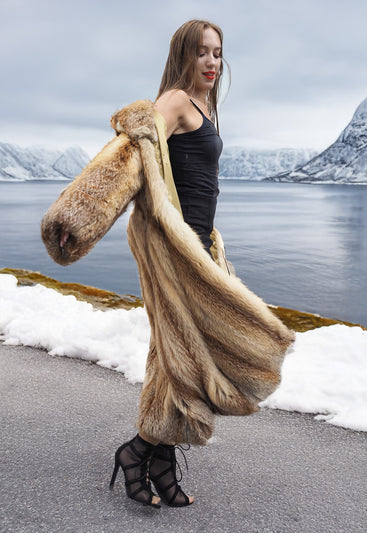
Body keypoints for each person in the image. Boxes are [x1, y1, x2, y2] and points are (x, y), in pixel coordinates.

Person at [109, 19, 227, 509]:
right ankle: (138, 451)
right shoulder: (176, 100)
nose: (211, 63)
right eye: (202, 52)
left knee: (179, 359)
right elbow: (132, 153)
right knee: (183, 360)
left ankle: (155, 460)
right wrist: (88, 210)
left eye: (218, 53)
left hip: (201, 248)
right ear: (184, 54)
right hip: (175, 250)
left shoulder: (207, 105)